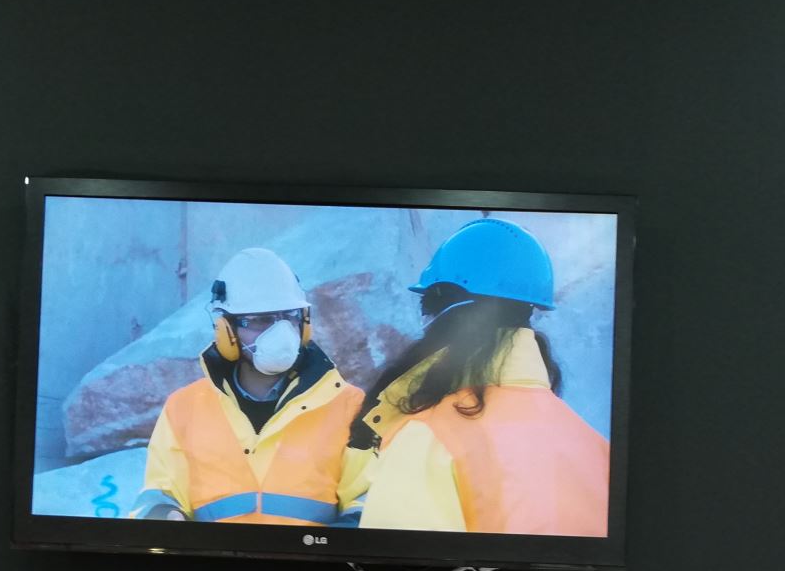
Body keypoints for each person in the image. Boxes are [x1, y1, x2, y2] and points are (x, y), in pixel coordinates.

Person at [351, 219, 609, 534]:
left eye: (429, 304)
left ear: (451, 307)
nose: (426, 320)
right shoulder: (593, 446)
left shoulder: (430, 438)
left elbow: (399, 559)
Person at [132, 248, 365, 526]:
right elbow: (158, 497)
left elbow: (368, 503)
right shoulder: (184, 408)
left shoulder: (349, 406)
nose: (281, 332)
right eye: (260, 320)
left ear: (304, 323)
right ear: (226, 331)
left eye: (290, 316)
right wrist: (167, 518)